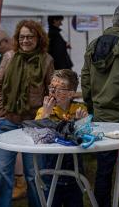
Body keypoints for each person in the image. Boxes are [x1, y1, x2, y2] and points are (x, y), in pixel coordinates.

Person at [81, 3, 119, 207]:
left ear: (113, 20)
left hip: (102, 118)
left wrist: (92, 108)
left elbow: (86, 81)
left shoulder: (94, 44)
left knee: (104, 168)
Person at [0, 19, 54, 207]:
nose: (25, 40)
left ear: (38, 38)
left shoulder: (46, 60)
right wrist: (0, 110)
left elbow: (51, 91)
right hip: (8, 120)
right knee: (2, 171)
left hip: (34, 124)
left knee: (34, 174)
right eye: (22, 36)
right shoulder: (9, 57)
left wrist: (44, 115)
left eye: (30, 36)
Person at [35, 69, 88, 207]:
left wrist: (80, 122)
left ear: (71, 93)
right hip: (50, 171)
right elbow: (38, 136)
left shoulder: (79, 109)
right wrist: (46, 114)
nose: (53, 92)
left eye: (60, 89)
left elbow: (85, 135)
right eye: (52, 87)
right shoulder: (43, 110)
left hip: (75, 171)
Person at [0, 28, 27, 200]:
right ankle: (20, 184)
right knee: (8, 162)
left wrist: (0, 111)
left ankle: (20, 184)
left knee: (7, 163)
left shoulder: (11, 55)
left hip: (18, 116)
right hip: (14, 114)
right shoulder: (11, 55)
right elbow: (0, 85)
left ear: (5, 41)